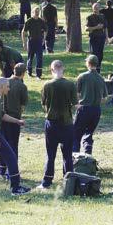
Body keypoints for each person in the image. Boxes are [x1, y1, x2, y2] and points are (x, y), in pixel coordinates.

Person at [38, 60, 78, 189]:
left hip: (52, 123)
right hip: (67, 123)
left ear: (52, 70)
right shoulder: (70, 85)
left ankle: (47, 181)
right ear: (63, 69)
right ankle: (69, 182)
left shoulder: (47, 85)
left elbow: (43, 104)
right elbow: (75, 104)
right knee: (67, 154)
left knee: (50, 154)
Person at [0, 63, 28, 179]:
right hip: (15, 119)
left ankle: (1, 169)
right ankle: (13, 171)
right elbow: (23, 105)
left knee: (3, 144)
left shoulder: (4, 82)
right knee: (13, 145)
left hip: (2, 118)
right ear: (23, 73)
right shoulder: (21, 86)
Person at [73, 56, 107, 154]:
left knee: (76, 135)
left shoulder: (82, 76)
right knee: (88, 134)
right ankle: (88, 158)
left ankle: (74, 159)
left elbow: (76, 93)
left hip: (84, 109)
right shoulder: (101, 78)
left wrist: (77, 104)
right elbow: (105, 98)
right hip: (96, 110)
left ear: (88, 63)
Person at [22, 6, 47, 78]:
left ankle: (38, 75)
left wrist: (44, 39)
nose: (37, 13)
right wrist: (24, 43)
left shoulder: (41, 21)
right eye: (35, 12)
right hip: (31, 41)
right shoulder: (29, 21)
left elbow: (45, 30)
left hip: (39, 41)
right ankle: (29, 73)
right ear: (33, 12)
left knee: (39, 58)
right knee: (30, 57)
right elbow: (23, 32)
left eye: (38, 12)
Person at [85, 3, 107, 73]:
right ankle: (91, 70)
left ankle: (98, 71)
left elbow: (105, 28)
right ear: (92, 8)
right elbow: (86, 28)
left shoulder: (103, 16)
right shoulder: (90, 17)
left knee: (100, 55)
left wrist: (107, 37)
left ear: (100, 8)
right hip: (94, 38)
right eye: (95, 7)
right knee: (94, 55)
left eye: (97, 7)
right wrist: (96, 27)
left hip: (102, 38)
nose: (96, 9)